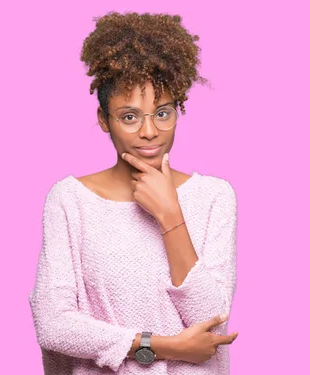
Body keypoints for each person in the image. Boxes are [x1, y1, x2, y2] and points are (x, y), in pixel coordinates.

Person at [28, 11, 239, 375]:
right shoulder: (70, 200)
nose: (149, 131)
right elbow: (53, 323)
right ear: (103, 119)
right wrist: (159, 346)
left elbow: (211, 322)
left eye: (162, 112)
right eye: (129, 116)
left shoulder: (214, 197)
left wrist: (170, 214)